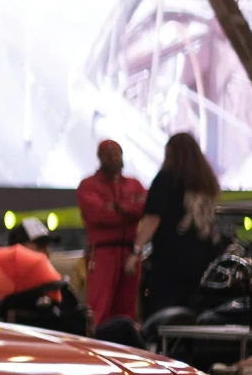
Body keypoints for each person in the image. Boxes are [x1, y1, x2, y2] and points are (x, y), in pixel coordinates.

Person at [138, 131, 222, 318]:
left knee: (167, 317)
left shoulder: (166, 179)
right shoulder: (206, 182)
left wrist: (136, 249)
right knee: (194, 314)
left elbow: (153, 218)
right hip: (203, 259)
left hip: (171, 263)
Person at [75, 138, 146, 327]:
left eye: (117, 153)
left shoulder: (134, 184)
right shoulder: (88, 185)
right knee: (100, 307)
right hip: (103, 253)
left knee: (128, 310)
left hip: (129, 252)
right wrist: (127, 210)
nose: (114, 157)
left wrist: (115, 207)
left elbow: (143, 208)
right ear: (100, 157)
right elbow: (96, 215)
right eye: (109, 154)